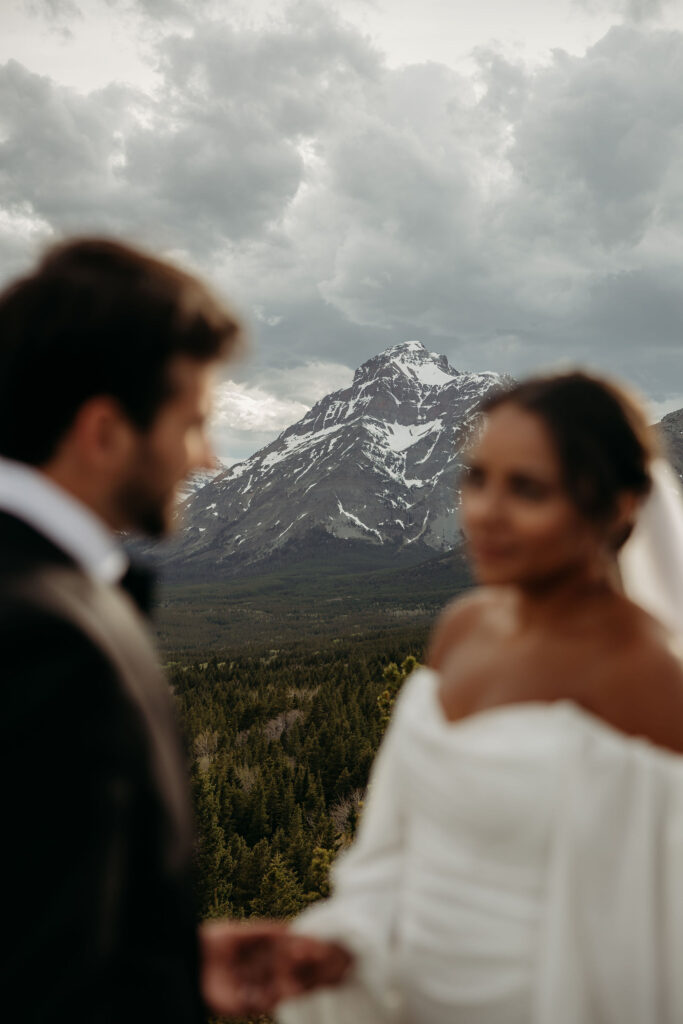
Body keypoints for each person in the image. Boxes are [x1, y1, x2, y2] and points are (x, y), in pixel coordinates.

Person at [0, 238, 349, 1023]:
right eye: (192, 424)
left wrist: (168, 962)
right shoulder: (47, 637)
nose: (207, 459)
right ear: (104, 431)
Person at [277, 371, 683, 1024]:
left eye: (526, 488)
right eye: (476, 478)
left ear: (617, 506)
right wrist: (339, 945)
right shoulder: (461, 628)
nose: (484, 512)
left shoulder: (648, 680)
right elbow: (393, 850)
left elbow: (654, 942)